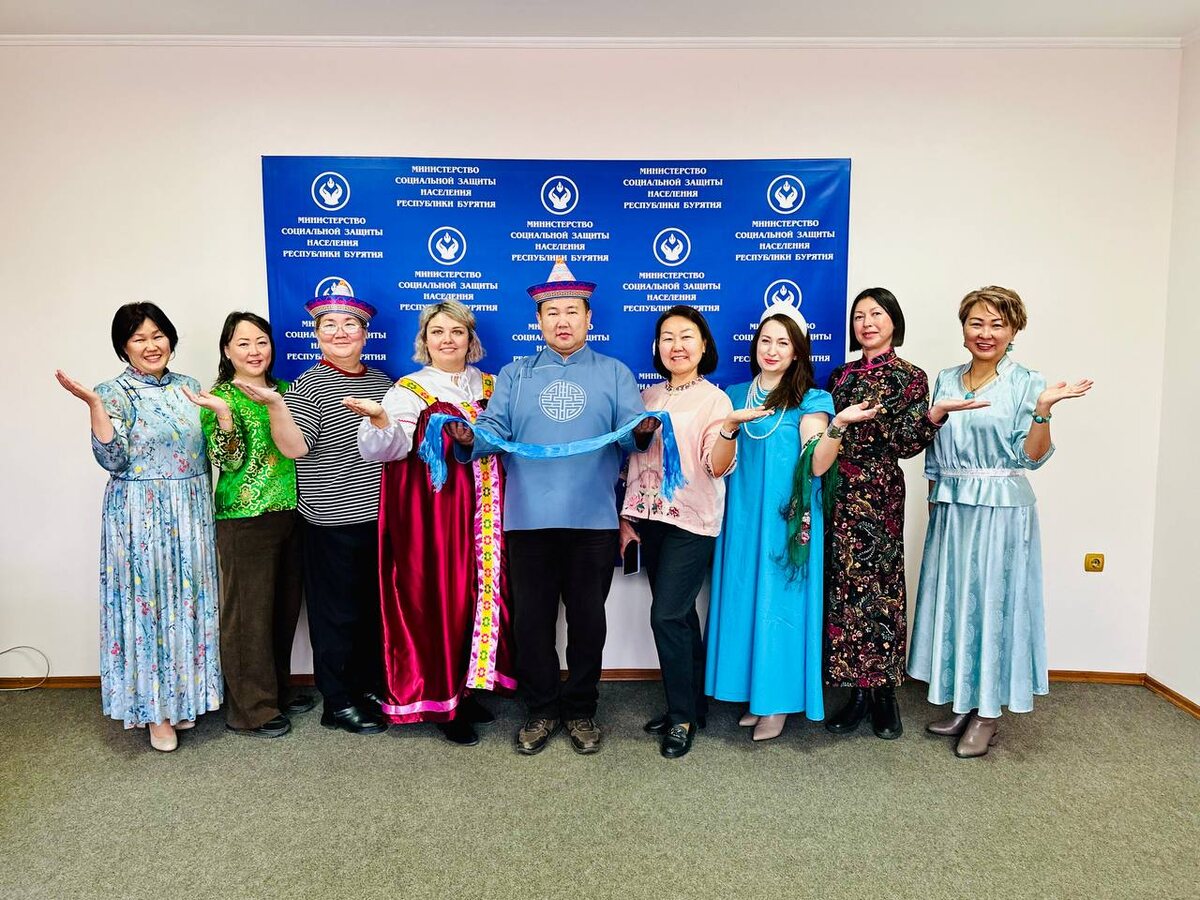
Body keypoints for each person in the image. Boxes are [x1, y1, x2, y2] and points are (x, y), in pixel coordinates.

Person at [448, 259, 658, 755]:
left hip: (593, 519)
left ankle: (582, 709)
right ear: (538, 321)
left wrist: (642, 433)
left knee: (588, 622)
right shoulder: (514, 375)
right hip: (527, 519)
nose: (563, 321)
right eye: (552, 313)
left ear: (589, 319)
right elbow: (494, 432)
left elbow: (632, 437)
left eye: (572, 312)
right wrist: (469, 439)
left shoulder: (614, 372)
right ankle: (540, 709)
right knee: (531, 622)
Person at [908, 286, 1092, 758]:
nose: (986, 333)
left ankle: (988, 715)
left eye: (997, 324)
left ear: (1013, 331)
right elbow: (934, 453)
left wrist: (1043, 411)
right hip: (952, 507)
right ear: (963, 329)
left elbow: (1031, 458)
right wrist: (934, 504)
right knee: (956, 602)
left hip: (1002, 510)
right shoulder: (947, 379)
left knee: (992, 603)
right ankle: (964, 702)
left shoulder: (1027, 382)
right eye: (977, 322)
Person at [345, 300, 515, 747]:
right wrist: (380, 420)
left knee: (478, 599)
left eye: (456, 331)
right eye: (437, 331)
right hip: (435, 519)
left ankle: (468, 688)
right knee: (441, 601)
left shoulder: (493, 384)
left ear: (470, 338)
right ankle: (442, 701)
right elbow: (388, 450)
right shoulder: (410, 390)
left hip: (488, 516)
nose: (447, 340)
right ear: (425, 340)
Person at [705, 303, 876, 742]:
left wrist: (837, 427)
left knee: (780, 606)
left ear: (798, 351)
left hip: (786, 518)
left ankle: (777, 703)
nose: (772, 349)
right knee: (743, 599)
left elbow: (816, 465)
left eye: (783, 342)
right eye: (766, 340)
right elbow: (718, 459)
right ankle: (751, 694)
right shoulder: (734, 394)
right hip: (742, 517)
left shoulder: (812, 400)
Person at [55, 303, 222, 752]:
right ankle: (154, 712)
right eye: (138, 338)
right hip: (139, 514)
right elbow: (112, 460)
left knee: (187, 602)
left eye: (157, 335)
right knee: (148, 606)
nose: (151, 346)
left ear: (170, 338)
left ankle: (182, 697)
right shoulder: (112, 392)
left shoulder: (190, 387)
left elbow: (208, 450)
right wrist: (95, 406)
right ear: (123, 347)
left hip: (190, 509)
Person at [823, 289, 986, 740]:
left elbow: (907, 444)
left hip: (880, 492)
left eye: (876, 313)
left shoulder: (910, 376)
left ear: (893, 321)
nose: (867, 322)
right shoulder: (839, 376)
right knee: (843, 589)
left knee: (883, 589)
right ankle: (855, 692)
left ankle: (885, 694)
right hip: (837, 490)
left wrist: (934, 416)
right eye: (859, 315)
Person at [237, 281, 394, 735]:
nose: (340, 332)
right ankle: (337, 702)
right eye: (330, 325)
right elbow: (294, 447)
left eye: (350, 325)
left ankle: (367, 687)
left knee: (372, 610)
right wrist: (275, 407)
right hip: (331, 519)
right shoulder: (309, 385)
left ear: (365, 333)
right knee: (336, 614)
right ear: (317, 334)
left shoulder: (383, 383)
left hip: (380, 519)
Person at [619, 306, 750, 758]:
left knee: (666, 616)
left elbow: (717, 466)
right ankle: (692, 705)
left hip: (692, 522)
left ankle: (681, 719)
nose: (677, 345)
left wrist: (729, 431)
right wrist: (627, 519)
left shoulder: (716, 401)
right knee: (681, 616)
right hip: (650, 518)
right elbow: (633, 460)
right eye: (668, 337)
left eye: (686, 336)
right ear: (657, 348)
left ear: (704, 345)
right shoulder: (646, 396)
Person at [186, 311, 309, 739]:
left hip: (291, 513)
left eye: (261, 341)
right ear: (227, 350)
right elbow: (228, 460)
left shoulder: (288, 390)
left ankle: (276, 691)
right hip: (244, 517)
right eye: (243, 343)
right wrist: (223, 415)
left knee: (282, 611)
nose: (254, 351)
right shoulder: (218, 397)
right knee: (248, 617)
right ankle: (250, 709)